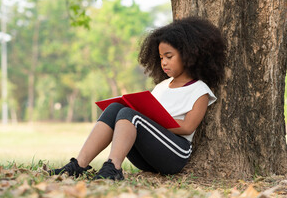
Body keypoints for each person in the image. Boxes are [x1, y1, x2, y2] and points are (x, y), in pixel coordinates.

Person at [48, 16, 226, 180]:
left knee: (129, 114)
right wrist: (146, 119)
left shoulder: (199, 90)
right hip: (147, 156)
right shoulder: (161, 87)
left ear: (189, 54)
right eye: (161, 57)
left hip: (175, 154)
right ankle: (78, 166)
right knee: (115, 109)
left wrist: (151, 121)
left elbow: (188, 127)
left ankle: (113, 168)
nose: (163, 62)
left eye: (169, 56)